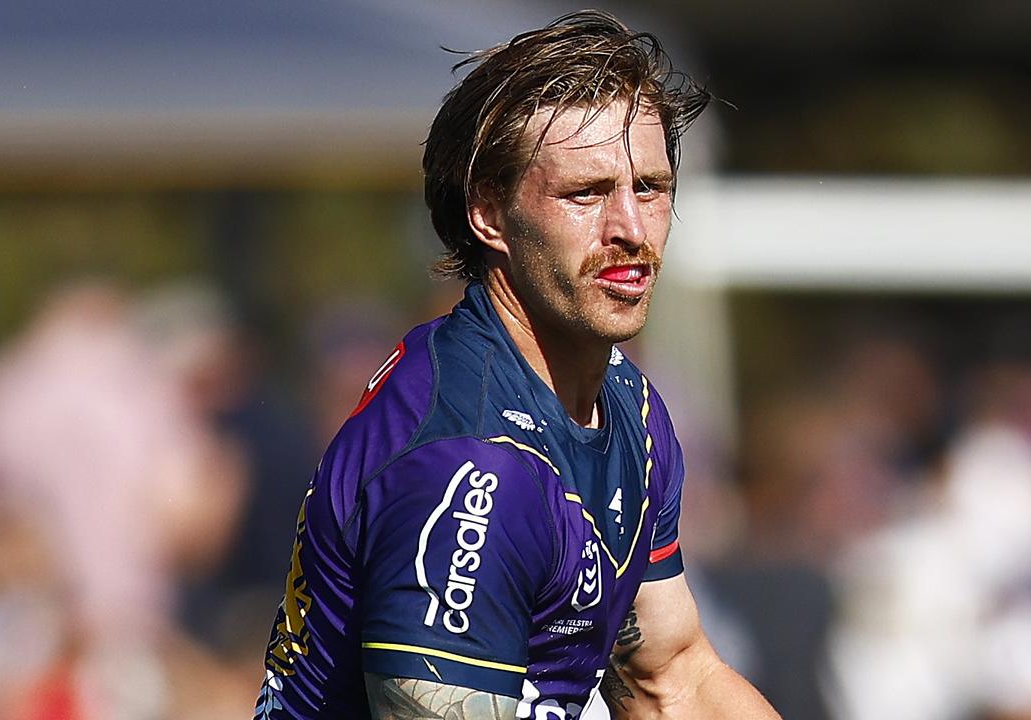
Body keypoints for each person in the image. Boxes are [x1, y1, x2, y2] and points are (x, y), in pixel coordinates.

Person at [255, 11, 780, 719]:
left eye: (650, 188)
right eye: (585, 193)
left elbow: (672, 680)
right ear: (489, 213)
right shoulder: (471, 466)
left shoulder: (632, 407)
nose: (630, 228)